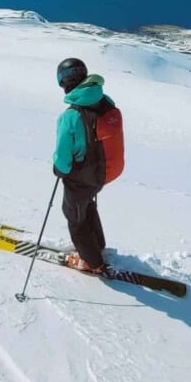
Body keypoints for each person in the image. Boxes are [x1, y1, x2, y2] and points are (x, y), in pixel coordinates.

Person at [53, 57, 123, 274]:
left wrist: (59, 169)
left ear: (64, 83)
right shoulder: (104, 102)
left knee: (75, 217)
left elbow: (63, 157)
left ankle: (93, 262)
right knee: (87, 204)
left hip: (82, 177)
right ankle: (97, 245)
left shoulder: (71, 115)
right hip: (104, 173)